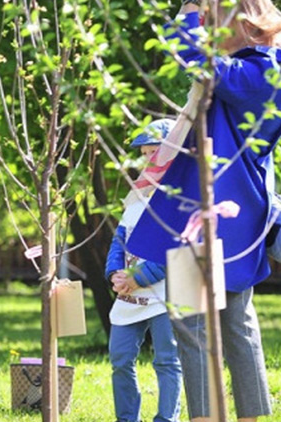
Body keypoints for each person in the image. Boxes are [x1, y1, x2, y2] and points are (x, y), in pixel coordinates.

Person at [127, 0, 281, 421]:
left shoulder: (260, 74)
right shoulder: (264, 68)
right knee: (235, 324)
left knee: (196, 325)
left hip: (216, 211)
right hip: (233, 209)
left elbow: (185, 49)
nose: (209, 29)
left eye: (217, 20)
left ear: (243, 22)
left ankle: (205, 419)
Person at [106, 119, 181, 422]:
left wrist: (137, 277)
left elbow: (175, 251)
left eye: (157, 152)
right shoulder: (137, 197)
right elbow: (118, 242)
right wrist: (115, 274)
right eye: (147, 153)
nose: (151, 159)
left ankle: (166, 419)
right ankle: (126, 419)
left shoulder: (179, 199)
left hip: (166, 295)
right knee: (120, 359)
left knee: (167, 361)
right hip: (128, 295)